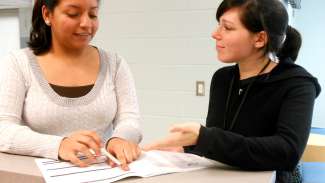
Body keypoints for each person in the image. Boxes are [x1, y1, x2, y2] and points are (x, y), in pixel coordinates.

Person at [144, 0, 321, 182]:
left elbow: (287, 152)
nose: (215, 34)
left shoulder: (298, 84)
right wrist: (187, 147)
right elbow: (222, 139)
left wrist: (203, 138)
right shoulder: (222, 78)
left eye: (227, 28)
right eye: (218, 25)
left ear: (260, 39)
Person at [0, 0, 142, 170]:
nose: (86, 23)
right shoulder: (18, 64)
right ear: (47, 14)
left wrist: (120, 138)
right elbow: (3, 129)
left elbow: (130, 120)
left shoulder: (115, 64)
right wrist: (59, 145)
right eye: (73, 14)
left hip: (103, 175)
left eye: (93, 14)